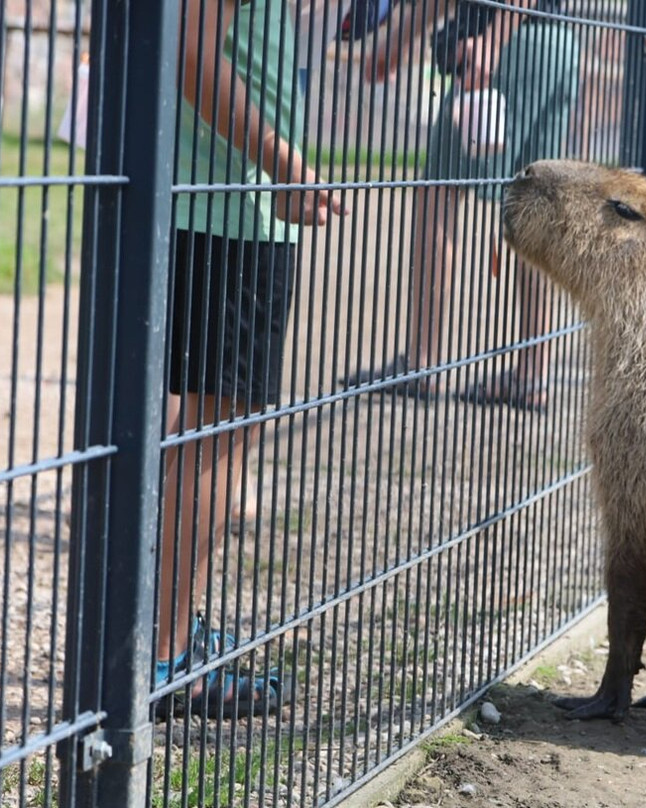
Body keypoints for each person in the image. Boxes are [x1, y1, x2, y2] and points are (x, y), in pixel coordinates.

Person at [157, 0, 345, 718]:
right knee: (220, 427)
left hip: (215, 199)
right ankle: (169, 662)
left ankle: (165, 634)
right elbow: (193, 48)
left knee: (210, 424)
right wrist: (287, 167)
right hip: (227, 206)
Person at [343, 0, 579, 413]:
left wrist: (491, 41)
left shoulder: (497, 41)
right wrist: (395, 44)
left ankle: (423, 365)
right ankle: (532, 376)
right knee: (536, 206)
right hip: (559, 44)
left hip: (509, 44)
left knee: (439, 191)